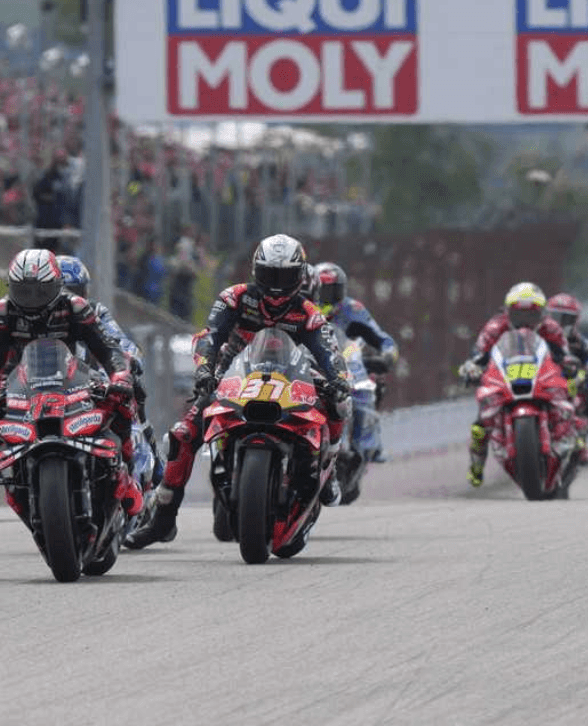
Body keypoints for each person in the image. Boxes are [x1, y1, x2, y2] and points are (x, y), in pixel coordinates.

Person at [123, 234, 351, 548]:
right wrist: (205, 370)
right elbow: (210, 337)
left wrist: (338, 379)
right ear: (256, 271)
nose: (276, 287)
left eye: (284, 277)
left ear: (299, 277)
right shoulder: (234, 297)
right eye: (270, 275)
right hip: (235, 373)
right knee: (182, 434)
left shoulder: (309, 313)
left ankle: (328, 467)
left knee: (339, 403)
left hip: (294, 377)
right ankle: (163, 518)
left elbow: (330, 353)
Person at [0, 249, 142, 559]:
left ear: (57, 286)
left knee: (122, 402)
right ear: (11, 287)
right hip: (19, 388)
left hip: (73, 381)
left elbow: (109, 350)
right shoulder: (1, 313)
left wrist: (120, 376)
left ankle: (126, 477)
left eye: (40, 290)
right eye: (24, 291)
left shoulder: (75, 307)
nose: (32, 299)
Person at [457, 282, 582, 488]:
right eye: (519, 315)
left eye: (531, 315)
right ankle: (476, 465)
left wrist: (569, 364)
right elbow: (478, 355)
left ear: (542, 314)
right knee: (481, 422)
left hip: (541, 375)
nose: (525, 321)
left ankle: (572, 432)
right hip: (506, 376)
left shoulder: (551, 328)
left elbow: (564, 354)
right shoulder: (494, 328)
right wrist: (472, 367)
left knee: (570, 393)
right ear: (508, 312)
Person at [58, 254, 153, 474]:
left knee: (132, 395)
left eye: (74, 291)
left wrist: (129, 357)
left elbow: (118, 339)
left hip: (90, 387)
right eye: (62, 291)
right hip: (48, 390)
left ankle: (147, 461)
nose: (67, 298)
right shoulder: (34, 318)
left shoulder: (94, 311)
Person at [314, 260, 399, 463]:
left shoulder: (352, 308)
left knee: (367, 388)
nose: (325, 297)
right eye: (321, 290)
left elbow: (381, 337)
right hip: (310, 361)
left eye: (331, 292)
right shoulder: (302, 307)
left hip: (346, 360)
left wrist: (388, 354)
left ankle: (368, 444)